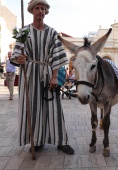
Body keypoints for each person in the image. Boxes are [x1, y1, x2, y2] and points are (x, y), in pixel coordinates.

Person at [11, 0, 74, 154]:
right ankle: (36, 140)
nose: (40, 11)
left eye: (43, 9)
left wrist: (54, 77)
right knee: (33, 107)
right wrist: (20, 59)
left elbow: (56, 57)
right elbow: (17, 55)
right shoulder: (23, 32)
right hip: (29, 74)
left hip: (47, 72)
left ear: (46, 12)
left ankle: (61, 141)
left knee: (54, 107)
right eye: (37, 8)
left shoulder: (52, 32)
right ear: (32, 11)